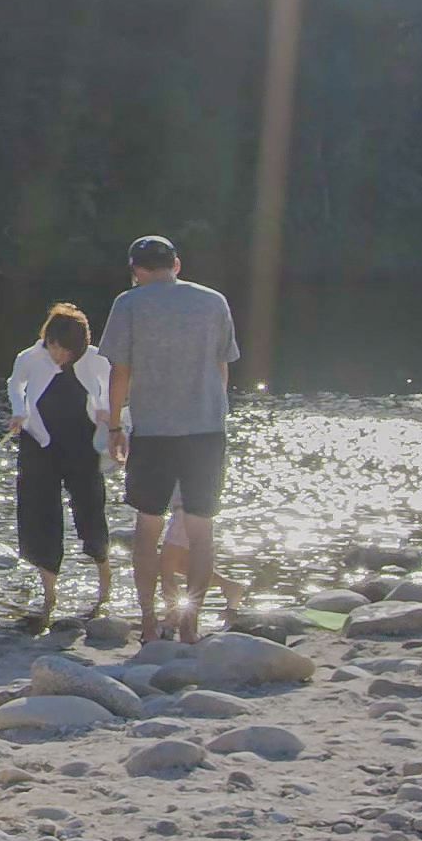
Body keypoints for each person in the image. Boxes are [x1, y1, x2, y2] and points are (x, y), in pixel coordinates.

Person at [100, 235, 239, 643]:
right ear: (176, 264)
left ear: (135, 271)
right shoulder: (214, 301)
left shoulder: (129, 303)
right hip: (206, 431)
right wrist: (214, 413)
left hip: (154, 432)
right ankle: (190, 625)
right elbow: (222, 367)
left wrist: (114, 427)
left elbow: (120, 372)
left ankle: (148, 623)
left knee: (147, 529)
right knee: (200, 530)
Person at [1, 303, 115, 629]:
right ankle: (49, 596)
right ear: (48, 339)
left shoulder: (95, 358)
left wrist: (106, 409)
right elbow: (15, 384)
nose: (61, 355)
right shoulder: (29, 357)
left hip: (82, 441)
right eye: (56, 347)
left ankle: (104, 583)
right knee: (40, 514)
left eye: (68, 351)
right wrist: (18, 411)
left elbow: (112, 386)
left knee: (90, 508)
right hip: (38, 442)